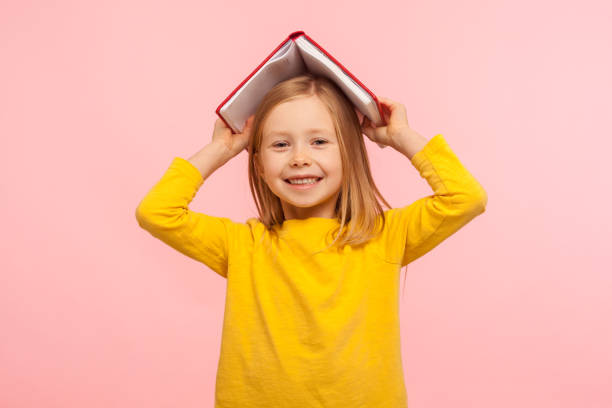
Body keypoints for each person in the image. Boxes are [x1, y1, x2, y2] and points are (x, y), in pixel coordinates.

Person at [135, 73, 487, 407]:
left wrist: (401, 136)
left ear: (349, 153)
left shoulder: (386, 236)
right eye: (280, 144)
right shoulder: (243, 244)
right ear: (258, 165)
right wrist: (222, 149)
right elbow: (157, 211)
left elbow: (465, 197)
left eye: (319, 141)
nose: (300, 158)